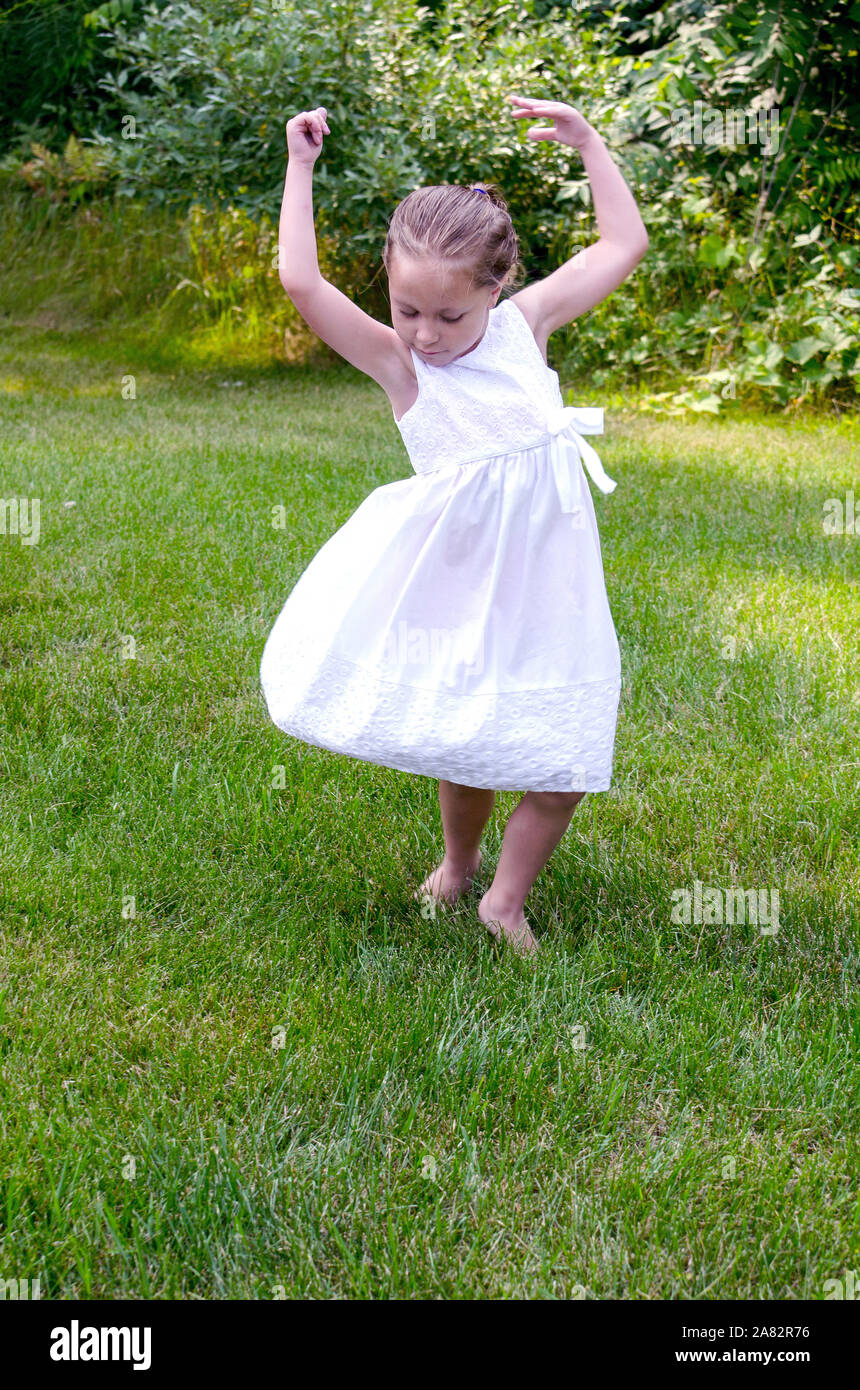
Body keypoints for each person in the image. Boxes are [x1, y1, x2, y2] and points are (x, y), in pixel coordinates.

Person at [260, 94, 649, 954]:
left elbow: (623, 246)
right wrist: (300, 166)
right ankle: (457, 865)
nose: (426, 334)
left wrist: (587, 141)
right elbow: (300, 282)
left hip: (552, 592)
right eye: (408, 310)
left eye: (449, 316)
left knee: (566, 755)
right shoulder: (402, 369)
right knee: (467, 741)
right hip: (463, 592)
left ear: (496, 290)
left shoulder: (524, 328)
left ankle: (503, 900)